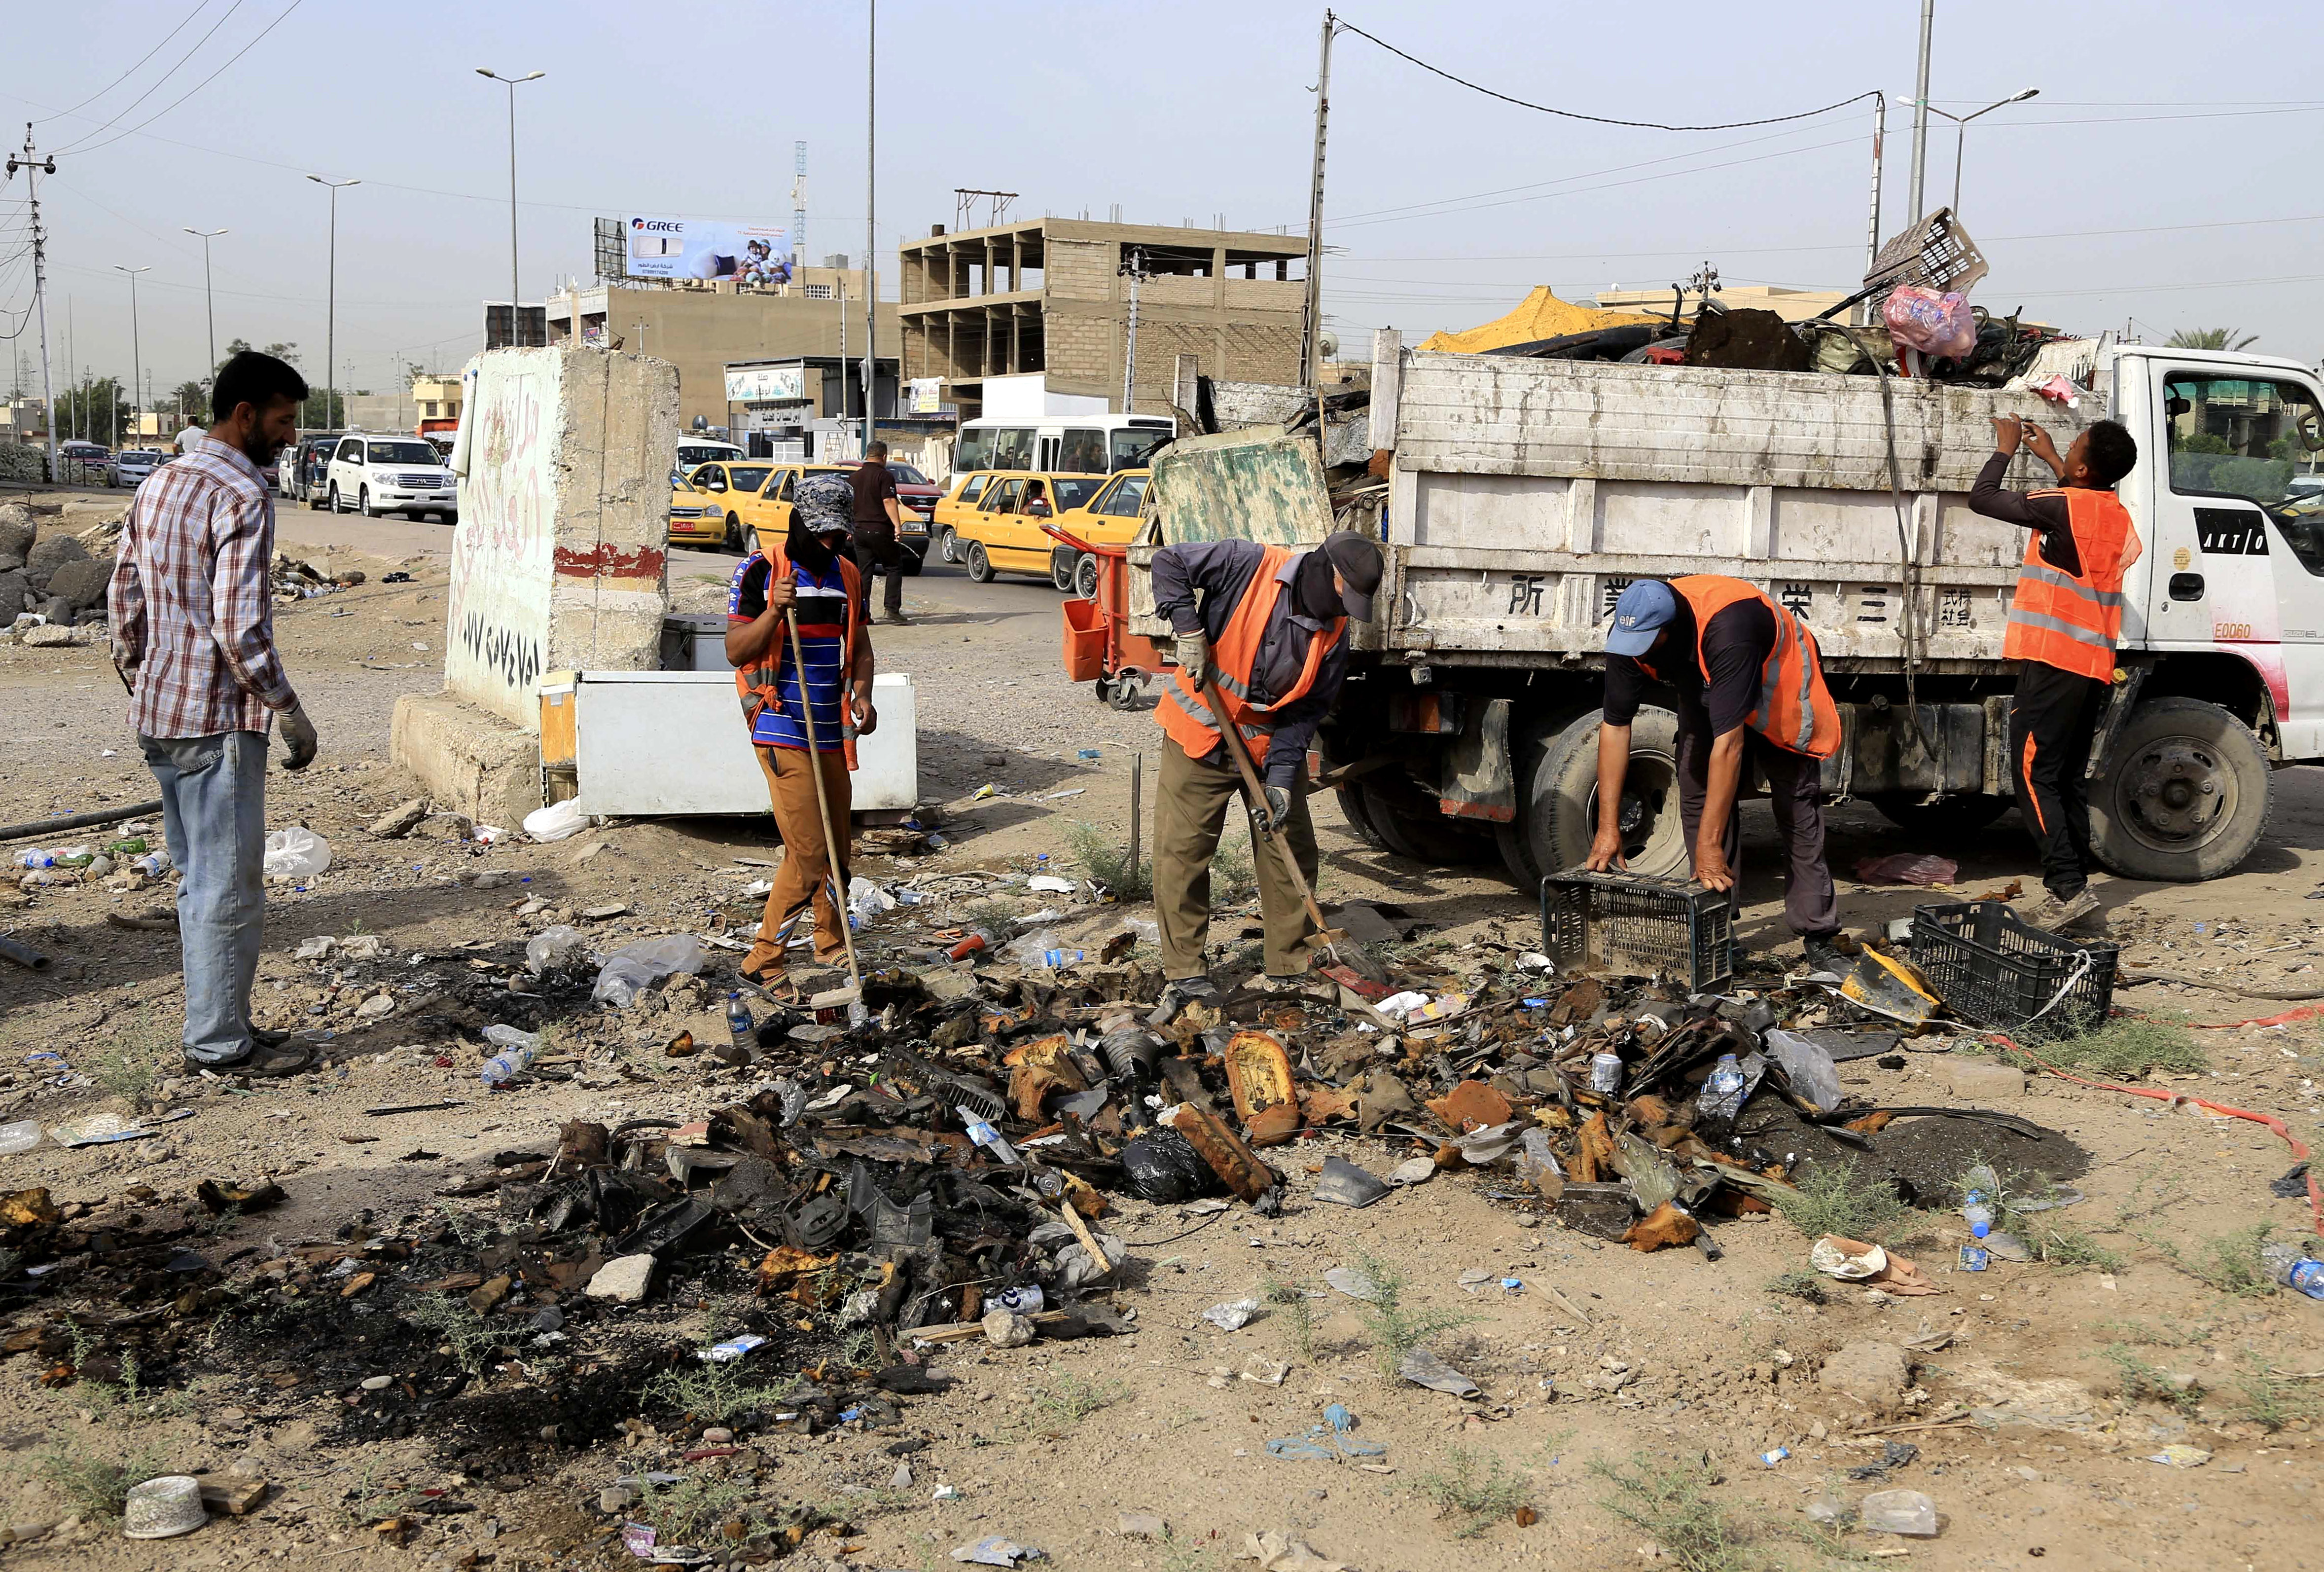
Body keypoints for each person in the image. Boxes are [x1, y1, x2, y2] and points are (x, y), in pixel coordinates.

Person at [108, 350, 321, 1077]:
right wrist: (289, 710)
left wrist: (141, 677)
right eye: (285, 421)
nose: (291, 436)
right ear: (245, 416)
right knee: (227, 886)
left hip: (163, 712)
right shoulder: (242, 494)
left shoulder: (162, 480)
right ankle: (220, 1046)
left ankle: (223, 1023)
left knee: (200, 879)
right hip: (218, 720)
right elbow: (240, 628)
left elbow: (125, 597)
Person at [1147, 530, 1383, 1013]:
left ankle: (1290, 959)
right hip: (1201, 734)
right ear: (1328, 572)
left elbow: (1305, 715)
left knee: (1289, 844)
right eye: (1345, 597)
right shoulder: (1247, 564)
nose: (1342, 612)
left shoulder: (1334, 636)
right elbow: (1168, 561)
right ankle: (1187, 973)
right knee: (1183, 855)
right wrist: (1189, 629)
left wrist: (1279, 782)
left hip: (1266, 747)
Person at [1585, 575, 1844, 976]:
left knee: (1795, 804)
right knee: (1695, 785)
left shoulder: (1729, 627)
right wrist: (1607, 827)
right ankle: (1720, 928)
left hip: (1776, 679)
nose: (1636, 653)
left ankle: (1818, 933)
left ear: (1668, 632)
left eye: (1646, 645)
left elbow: (1730, 746)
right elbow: (1615, 727)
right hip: (1705, 672)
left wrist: (1710, 846)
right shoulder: (1631, 633)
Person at [1974, 415, 2142, 929]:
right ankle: (2077, 885)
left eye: (2074, 448)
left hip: (2053, 660)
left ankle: (2067, 890)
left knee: (2032, 773)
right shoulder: (2114, 512)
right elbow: (2077, 506)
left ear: (2085, 468)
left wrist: (2004, 450)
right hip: (2091, 662)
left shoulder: (2064, 505)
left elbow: (1984, 498)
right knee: (2065, 777)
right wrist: (2050, 459)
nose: (2067, 448)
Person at [725, 470, 878, 1000]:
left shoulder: (849, 575)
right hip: (778, 720)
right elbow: (736, 650)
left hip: (830, 726)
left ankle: (829, 937)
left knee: (838, 842)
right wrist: (775, 610)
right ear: (798, 524)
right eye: (822, 534)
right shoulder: (760, 570)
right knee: (810, 851)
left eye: (838, 534)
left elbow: (858, 645)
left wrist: (862, 693)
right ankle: (763, 958)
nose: (831, 543)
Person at [847, 439, 909, 625]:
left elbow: (848, 504)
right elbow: (889, 501)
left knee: (864, 572)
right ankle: (891, 609)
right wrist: (897, 526)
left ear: (867, 455)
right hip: (880, 530)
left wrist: (849, 527)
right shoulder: (885, 476)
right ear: (884, 457)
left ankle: (863, 614)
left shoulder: (854, 478)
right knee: (894, 567)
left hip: (859, 531)